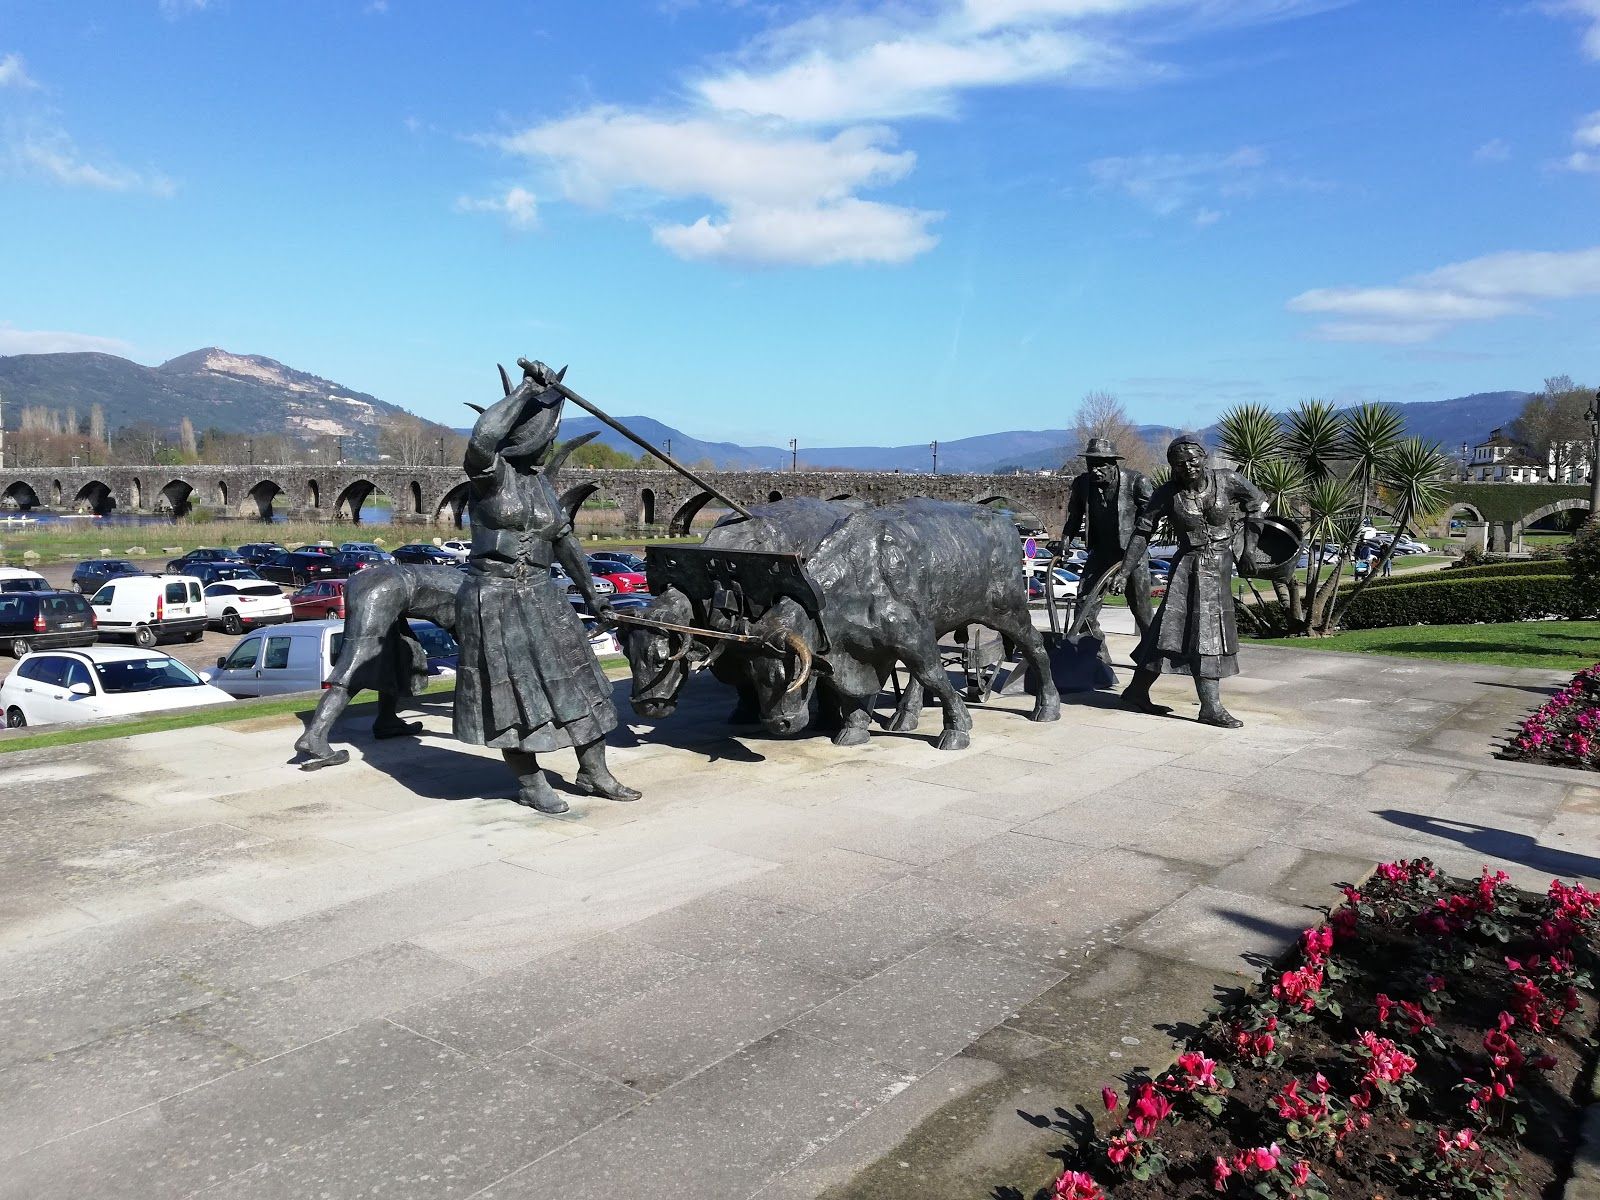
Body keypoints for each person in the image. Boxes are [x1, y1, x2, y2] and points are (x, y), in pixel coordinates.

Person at [453, 358, 639, 813]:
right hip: (494, 597)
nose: (549, 446)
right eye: (546, 438)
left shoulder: (540, 486)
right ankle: (530, 781)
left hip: (542, 593)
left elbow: (563, 540)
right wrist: (524, 390)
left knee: (584, 682)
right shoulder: (489, 477)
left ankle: (594, 771)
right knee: (510, 693)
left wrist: (592, 591)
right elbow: (481, 438)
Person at [1106, 435, 1269, 729]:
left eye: (1193, 460)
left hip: (1219, 563)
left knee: (1191, 631)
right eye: (1180, 464)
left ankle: (1137, 691)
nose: (1188, 467)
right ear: (1172, 467)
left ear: (1203, 457)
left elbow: (1256, 503)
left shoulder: (1227, 480)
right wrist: (1125, 571)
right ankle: (1209, 707)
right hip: (1187, 566)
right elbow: (1143, 532)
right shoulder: (1167, 493)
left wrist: (1250, 548)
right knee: (1179, 631)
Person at [1061, 437, 1154, 649]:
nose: (1095, 470)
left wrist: (1127, 567)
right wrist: (1065, 541)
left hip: (1132, 554)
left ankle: (1152, 654)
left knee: (1142, 610)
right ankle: (1094, 653)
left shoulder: (1136, 482)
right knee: (1085, 606)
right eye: (1091, 465)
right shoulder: (1082, 484)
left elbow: (1151, 520)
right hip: (1101, 551)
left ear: (1113, 464)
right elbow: (1074, 516)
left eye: (1101, 465)